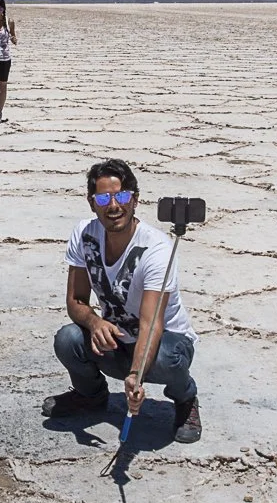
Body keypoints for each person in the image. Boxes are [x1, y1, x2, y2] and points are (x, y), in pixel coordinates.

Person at [42, 158, 203, 443]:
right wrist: (95, 323)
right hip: (118, 341)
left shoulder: (156, 250)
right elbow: (76, 300)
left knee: (169, 358)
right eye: (104, 197)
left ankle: (185, 399)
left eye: (122, 196)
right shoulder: (84, 234)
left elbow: (151, 324)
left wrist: (134, 376)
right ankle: (90, 397)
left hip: (165, 341)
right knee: (67, 338)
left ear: (135, 200)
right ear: (92, 203)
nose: (114, 205)